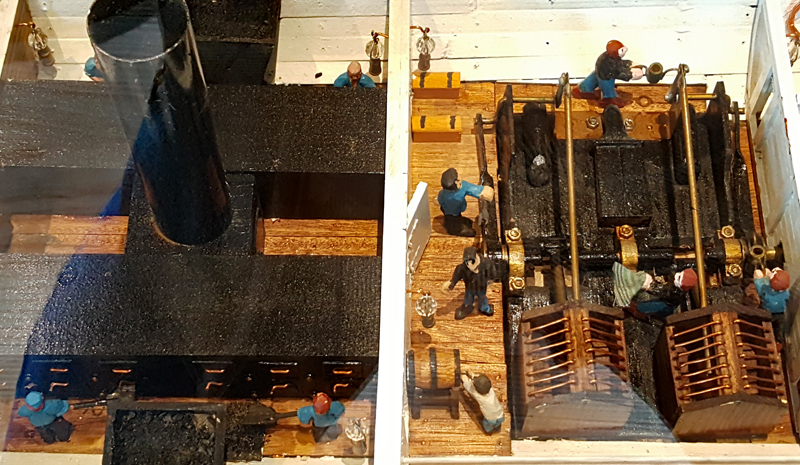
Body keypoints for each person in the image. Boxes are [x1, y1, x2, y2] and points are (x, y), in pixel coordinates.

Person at [572, 40, 644, 108]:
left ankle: (582, 90)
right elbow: (618, 73)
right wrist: (631, 74)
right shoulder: (610, 63)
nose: (626, 50)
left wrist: (629, 63)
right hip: (606, 77)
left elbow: (618, 63)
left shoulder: (608, 56)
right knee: (607, 86)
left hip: (599, 71)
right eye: (622, 50)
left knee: (592, 80)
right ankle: (608, 99)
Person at [443, 247, 499, 319]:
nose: (470, 265)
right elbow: (456, 276)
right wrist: (451, 284)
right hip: (469, 288)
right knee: (468, 299)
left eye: (472, 261)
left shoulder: (486, 264)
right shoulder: (462, 268)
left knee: (482, 298)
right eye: (467, 262)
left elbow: (492, 272)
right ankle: (468, 307)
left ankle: (484, 308)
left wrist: (492, 279)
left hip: (482, 287)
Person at [437, 168, 494, 237]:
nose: (459, 181)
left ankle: (459, 222)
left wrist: (483, 191)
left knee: (456, 217)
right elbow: (440, 199)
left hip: (455, 210)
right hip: (449, 212)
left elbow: (471, 188)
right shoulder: (446, 194)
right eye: (457, 180)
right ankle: (456, 229)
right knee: (452, 222)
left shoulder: (461, 187)